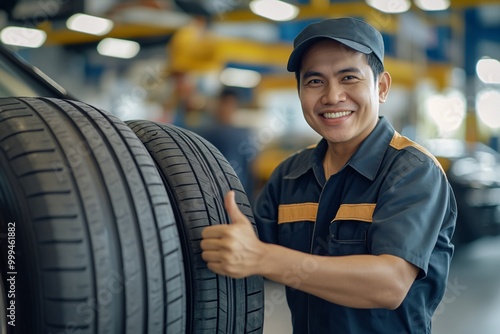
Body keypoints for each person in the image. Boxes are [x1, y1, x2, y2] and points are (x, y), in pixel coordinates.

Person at [200, 17, 457, 333]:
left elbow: (389, 285)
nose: (333, 96)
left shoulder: (413, 172)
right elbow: (241, 254)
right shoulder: (289, 176)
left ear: (381, 87)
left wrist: (262, 257)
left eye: (349, 77)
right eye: (315, 81)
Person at [196, 88, 256, 197]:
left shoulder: (244, 136)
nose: (227, 109)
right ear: (218, 104)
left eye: (231, 105)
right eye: (225, 104)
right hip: (210, 194)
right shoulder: (204, 134)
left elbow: (250, 169)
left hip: (238, 192)